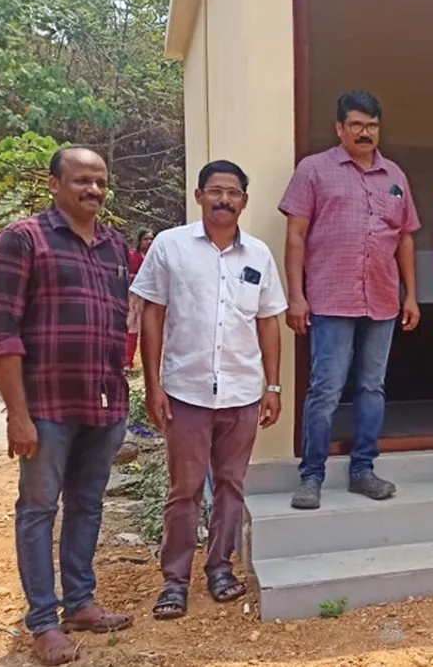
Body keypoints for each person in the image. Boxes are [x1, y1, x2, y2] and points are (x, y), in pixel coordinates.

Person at [0, 147, 133, 666]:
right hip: (45, 405)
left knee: (88, 506)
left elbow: (115, 325)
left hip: (103, 403)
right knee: (39, 510)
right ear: (54, 184)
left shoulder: (112, 246)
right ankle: (43, 621)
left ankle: (80, 602)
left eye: (101, 182)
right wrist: (17, 414)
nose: (93, 190)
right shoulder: (23, 240)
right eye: (81, 181)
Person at [131, 160, 287, 619]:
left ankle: (220, 567)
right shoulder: (170, 246)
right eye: (215, 191)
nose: (224, 199)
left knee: (231, 486)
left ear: (244, 200)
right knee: (184, 489)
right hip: (186, 391)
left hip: (242, 392)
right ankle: (175, 580)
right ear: (198, 195)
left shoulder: (257, 255)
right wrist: (153, 383)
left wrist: (272, 386)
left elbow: (268, 322)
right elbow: (152, 314)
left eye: (233, 192)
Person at [280, 90, 421, 510]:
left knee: (372, 387)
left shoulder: (394, 174)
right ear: (339, 128)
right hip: (330, 298)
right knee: (325, 388)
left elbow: (406, 239)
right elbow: (295, 237)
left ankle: (363, 469)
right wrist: (296, 297)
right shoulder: (314, 170)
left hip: (382, 299)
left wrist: (411, 296)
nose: (365, 133)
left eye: (372, 125)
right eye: (356, 125)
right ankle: (312, 474)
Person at [124, 230, 155, 371]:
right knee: (132, 327)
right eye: (146, 239)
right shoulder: (132, 255)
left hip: (153, 297)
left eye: (151, 239)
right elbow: (125, 274)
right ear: (140, 240)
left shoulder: (156, 256)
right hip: (134, 296)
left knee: (150, 329)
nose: (149, 241)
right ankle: (127, 361)